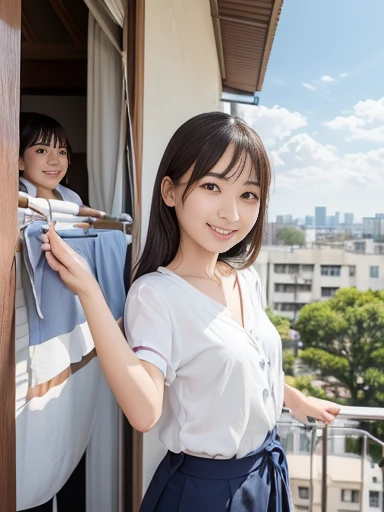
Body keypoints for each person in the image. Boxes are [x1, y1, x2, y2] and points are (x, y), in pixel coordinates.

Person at [41, 112, 341, 511]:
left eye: (248, 194)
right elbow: (145, 412)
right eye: (212, 186)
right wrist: (89, 291)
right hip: (207, 494)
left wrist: (295, 399)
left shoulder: (244, 279)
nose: (231, 213)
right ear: (170, 190)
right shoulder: (157, 295)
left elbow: (237, 367)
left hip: (265, 476)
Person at [19, 112, 83, 206]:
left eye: (62, 152)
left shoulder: (72, 197)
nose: (55, 161)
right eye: (41, 151)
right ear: (19, 161)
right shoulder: (12, 198)